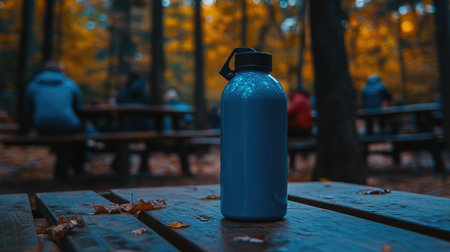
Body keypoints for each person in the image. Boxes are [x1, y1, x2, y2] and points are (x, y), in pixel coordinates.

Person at [23, 61, 85, 179]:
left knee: (62, 134)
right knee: (78, 131)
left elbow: (27, 108)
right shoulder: (70, 84)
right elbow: (79, 107)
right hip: (67, 125)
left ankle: (63, 171)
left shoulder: (34, 84)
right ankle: (75, 169)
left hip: (42, 125)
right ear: (61, 71)